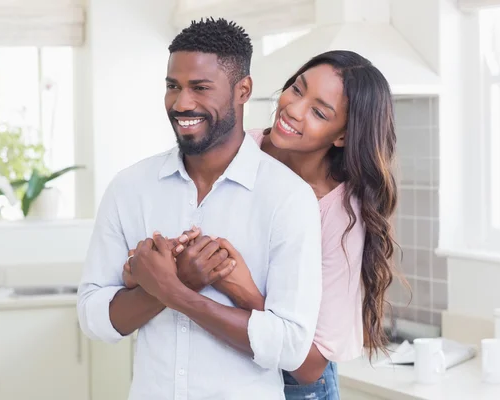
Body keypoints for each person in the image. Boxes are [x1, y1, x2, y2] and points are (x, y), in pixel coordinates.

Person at [127, 50, 400, 400]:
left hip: (295, 388)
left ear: (342, 136)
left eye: (319, 112)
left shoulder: (340, 214)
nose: (294, 110)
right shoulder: (235, 151)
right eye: (297, 90)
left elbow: (309, 366)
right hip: (221, 372)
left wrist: (245, 294)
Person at [77, 18, 323, 400]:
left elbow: (291, 344)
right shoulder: (129, 188)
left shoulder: (288, 198)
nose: (181, 103)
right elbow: (94, 318)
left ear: (243, 90)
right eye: (172, 86)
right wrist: (175, 284)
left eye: (200, 87)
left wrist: (172, 290)